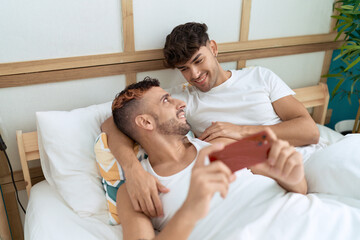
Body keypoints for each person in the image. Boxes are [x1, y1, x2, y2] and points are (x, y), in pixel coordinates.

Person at [101, 22, 325, 217]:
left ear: (214, 48)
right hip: (267, 177)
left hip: (313, 160)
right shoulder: (183, 100)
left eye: (198, 61)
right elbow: (114, 121)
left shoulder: (259, 76)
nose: (195, 74)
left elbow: (310, 131)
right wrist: (133, 170)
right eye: (184, 69)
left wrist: (242, 131)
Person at [112, 78, 360, 240]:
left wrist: (292, 177)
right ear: (145, 122)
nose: (179, 102)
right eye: (166, 100)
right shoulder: (136, 190)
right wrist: (192, 207)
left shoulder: (219, 145)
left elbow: (299, 188)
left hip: (316, 221)